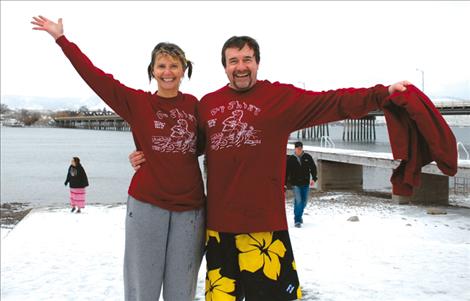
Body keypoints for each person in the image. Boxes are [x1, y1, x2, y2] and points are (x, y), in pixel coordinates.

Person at [130, 34, 410, 300]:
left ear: (257, 63)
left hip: (265, 227)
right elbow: (186, 146)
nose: (241, 67)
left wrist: (381, 94)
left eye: (247, 59)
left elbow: (332, 102)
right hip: (219, 230)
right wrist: (146, 156)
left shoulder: (280, 99)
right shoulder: (208, 104)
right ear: (225, 67)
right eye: (233, 61)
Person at [32, 16, 206, 301]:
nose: (168, 71)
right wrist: (62, 39)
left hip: (191, 209)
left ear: (184, 70)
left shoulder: (196, 107)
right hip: (148, 204)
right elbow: (95, 77)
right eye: (161, 65)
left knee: (182, 291)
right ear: (152, 70)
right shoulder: (138, 103)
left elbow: (202, 146)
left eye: (174, 65)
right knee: (142, 289)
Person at [286, 141, 317, 228]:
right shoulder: (291, 159)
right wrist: (285, 184)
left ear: (302, 148)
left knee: (304, 202)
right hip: (295, 184)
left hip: (305, 183)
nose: (299, 150)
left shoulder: (307, 157)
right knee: (298, 201)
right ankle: (297, 220)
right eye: (297, 148)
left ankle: (299, 215)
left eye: (300, 148)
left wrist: (314, 178)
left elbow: (313, 168)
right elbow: (286, 172)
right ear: (295, 149)